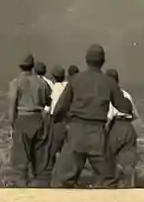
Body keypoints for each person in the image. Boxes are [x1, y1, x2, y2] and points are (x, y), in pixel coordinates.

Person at [51, 44, 133, 188]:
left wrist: (56, 121)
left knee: (62, 182)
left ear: (86, 59)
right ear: (103, 61)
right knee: (108, 181)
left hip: (76, 133)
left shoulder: (75, 80)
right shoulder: (109, 82)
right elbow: (125, 108)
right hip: (98, 135)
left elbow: (60, 108)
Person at [7, 54, 52, 185]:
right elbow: (48, 101)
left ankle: (23, 190)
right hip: (39, 119)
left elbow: (12, 104)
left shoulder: (15, 83)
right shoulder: (42, 82)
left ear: (20, 66)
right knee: (40, 159)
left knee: (21, 162)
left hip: (22, 119)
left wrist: (12, 124)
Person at [104, 67, 141, 187]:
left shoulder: (108, 94)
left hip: (116, 127)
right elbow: (135, 115)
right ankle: (129, 188)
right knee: (129, 164)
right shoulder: (126, 94)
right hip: (129, 128)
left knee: (109, 161)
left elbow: (108, 116)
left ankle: (111, 188)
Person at [44, 65, 70, 173]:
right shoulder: (67, 86)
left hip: (55, 120)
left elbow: (48, 108)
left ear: (53, 77)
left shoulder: (52, 88)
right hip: (68, 121)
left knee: (52, 149)